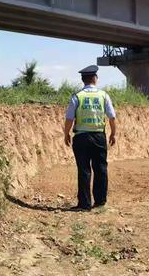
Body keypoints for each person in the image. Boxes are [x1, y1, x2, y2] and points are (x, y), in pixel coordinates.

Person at [64, 65, 117, 211]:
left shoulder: (77, 96)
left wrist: (66, 133)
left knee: (84, 170)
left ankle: (84, 204)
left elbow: (69, 118)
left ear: (83, 80)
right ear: (95, 78)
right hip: (99, 136)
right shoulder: (103, 95)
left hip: (81, 137)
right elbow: (112, 117)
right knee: (101, 168)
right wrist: (113, 133)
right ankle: (100, 202)